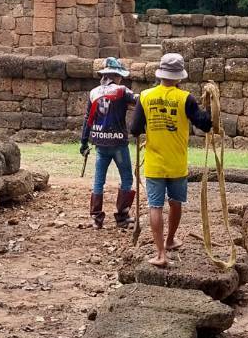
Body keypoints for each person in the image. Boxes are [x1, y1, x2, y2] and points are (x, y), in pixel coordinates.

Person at [128, 52, 213, 268]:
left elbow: (135, 129)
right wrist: (211, 105)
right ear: (179, 77)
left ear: (160, 74)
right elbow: (205, 124)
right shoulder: (186, 99)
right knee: (176, 203)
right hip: (177, 163)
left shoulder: (145, 96)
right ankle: (170, 239)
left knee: (155, 206)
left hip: (155, 162)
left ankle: (160, 254)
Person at [80, 57, 137, 229]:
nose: (121, 78)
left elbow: (87, 119)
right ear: (115, 75)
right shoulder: (121, 90)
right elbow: (139, 100)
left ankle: (96, 218)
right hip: (118, 143)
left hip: (100, 144)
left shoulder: (94, 92)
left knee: (98, 180)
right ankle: (122, 216)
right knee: (126, 178)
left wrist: (83, 142)